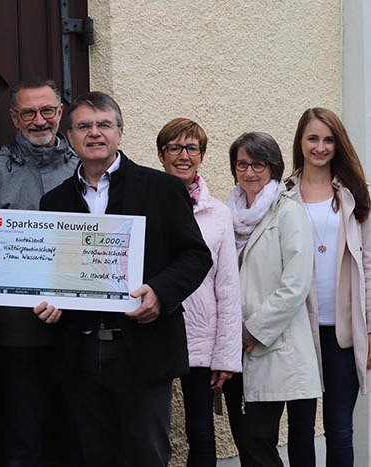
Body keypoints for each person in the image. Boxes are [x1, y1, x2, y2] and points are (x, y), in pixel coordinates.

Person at [35, 92, 212, 466]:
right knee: (95, 456)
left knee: (146, 456)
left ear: (120, 132)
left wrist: (161, 293)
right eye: (84, 126)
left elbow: (197, 256)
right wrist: (49, 301)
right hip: (80, 353)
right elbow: (50, 271)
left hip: (143, 350)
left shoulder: (162, 189)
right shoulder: (54, 201)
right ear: (69, 137)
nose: (94, 133)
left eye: (104, 125)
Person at [0, 78, 78, 466]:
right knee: (22, 438)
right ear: (14, 118)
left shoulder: (87, 168)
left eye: (47, 110)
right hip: (17, 334)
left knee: (79, 436)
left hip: (79, 328)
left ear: (60, 113)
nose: (39, 120)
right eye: (28, 112)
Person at [222, 132, 321, 467]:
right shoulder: (228, 214)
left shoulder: (287, 212)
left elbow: (295, 284)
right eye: (242, 164)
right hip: (233, 347)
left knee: (258, 440)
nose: (249, 172)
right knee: (247, 443)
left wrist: (253, 330)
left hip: (273, 346)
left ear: (273, 167)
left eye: (258, 164)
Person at [285, 107, 371, 466]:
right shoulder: (283, 194)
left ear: (338, 144)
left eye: (328, 139)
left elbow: (368, 263)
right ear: (300, 143)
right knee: (300, 428)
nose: (320, 147)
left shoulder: (355, 194)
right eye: (313, 138)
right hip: (298, 330)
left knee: (339, 429)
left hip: (344, 330)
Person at [156, 118, 242, 466]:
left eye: (192, 148)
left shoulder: (219, 214)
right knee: (152, 428)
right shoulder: (144, 202)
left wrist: (225, 356)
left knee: (201, 433)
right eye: (174, 148)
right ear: (161, 155)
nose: (183, 155)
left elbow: (228, 287)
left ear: (202, 155)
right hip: (152, 329)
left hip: (201, 337)